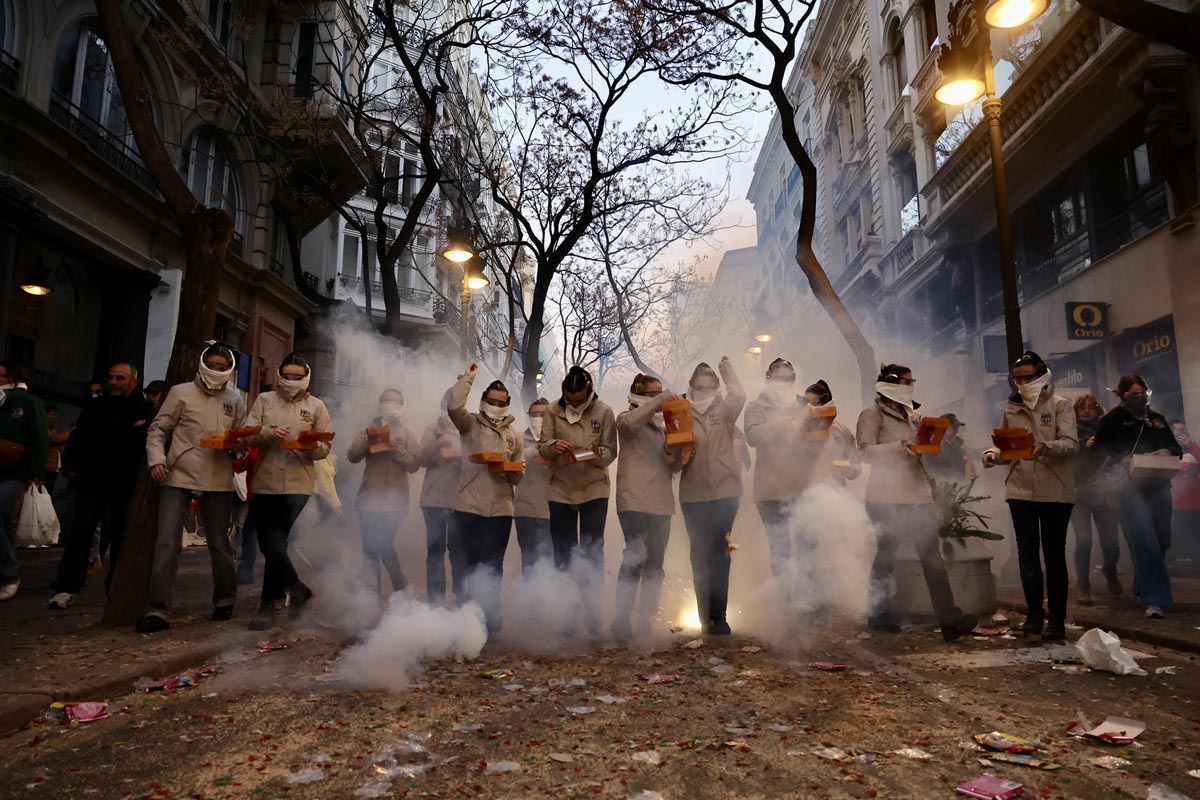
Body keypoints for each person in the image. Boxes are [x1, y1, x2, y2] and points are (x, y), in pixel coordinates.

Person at [857, 363, 977, 641]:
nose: (912, 386)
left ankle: (950, 619)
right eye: (907, 382)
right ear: (892, 384)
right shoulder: (871, 415)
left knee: (932, 556)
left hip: (917, 495)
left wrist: (929, 443)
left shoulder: (914, 416)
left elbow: (924, 449)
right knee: (886, 556)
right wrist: (899, 449)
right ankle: (878, 614)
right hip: (885, 498)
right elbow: (863, 452)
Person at [136, 343, 244, 632]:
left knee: (220, 545)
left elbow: (244, 436)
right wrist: (156, 460)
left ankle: (224, 600)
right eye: (213, 365)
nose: (217, 371)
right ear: (201, 363)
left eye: (223, 367)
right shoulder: (180, 392)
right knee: (168, 542)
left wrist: (237, 443)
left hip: (218, 477)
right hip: (178, 474)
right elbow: (158, 429)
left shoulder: (235, 399)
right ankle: (157, 609)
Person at [982, 351, 1078, 641]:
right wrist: (992, 455)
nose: (1023, 383)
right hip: (1021, 488)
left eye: (1028, 377)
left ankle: (1057, 620)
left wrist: (1044, 447)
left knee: (1054, 555)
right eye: (1018, 379)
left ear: (1041, 374)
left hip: (1055, 489)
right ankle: (1034, 614)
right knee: (1027, 554)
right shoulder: (1011, 407)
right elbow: (1007, 445)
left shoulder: (1061, 405)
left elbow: (1071, 444)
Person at [242, 353, 333, 630]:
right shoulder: (265, 401)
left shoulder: (316, 407)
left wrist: (309, 447)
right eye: (287, 375)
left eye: (297, 376)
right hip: (266, 480)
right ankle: (296, 589)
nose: (291, 381)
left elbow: (325, 448)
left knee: (274, 541)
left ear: (306, 377)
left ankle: (267, 603)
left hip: (298, 483)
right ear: (279, 375)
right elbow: (247, 434)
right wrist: (269, 433)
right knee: (271, 543)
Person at [51, 362, 153, 607]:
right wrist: (73, 473)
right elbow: (78, 440)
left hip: (125, 485)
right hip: (91, 481)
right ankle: (66, 587)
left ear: (133, 381)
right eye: (112, 378)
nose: (115, 382)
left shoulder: (145, 409)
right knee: (80, 534)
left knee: (120, 537)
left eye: (120, 378)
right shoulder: (95, 407)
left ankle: (116, 589)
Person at [1091, 374, 1182, 619]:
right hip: (1126, 487)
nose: (1139, 399)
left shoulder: (1157, 420)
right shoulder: (1111, 420)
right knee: (1144, 538)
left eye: (1142, 394)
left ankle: (1144, 584)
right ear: (1122, 395)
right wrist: (1118, 461)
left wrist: (1167, 450)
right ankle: (1155, 599)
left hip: (1158, 483)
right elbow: (1097, 454)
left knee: (1162, 539)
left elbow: (1176, 448)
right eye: (1133, 395)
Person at [537, 366, 617, 635]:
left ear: (588, 391)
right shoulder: (552, 410)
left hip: (594, 487)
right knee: (563, 551)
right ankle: (567, 614)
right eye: (569, 399)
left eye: (579, 399)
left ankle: (593, 613)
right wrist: (553, 446)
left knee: (592, 551)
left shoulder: (604, 412)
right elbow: (542, 446)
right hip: (560, 487)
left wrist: (594, 454)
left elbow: (610, 452)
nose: (574, 403)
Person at [447, 364, 523, 633]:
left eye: (499, 403)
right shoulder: (469, 425)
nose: (494, 406)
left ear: (507, 404)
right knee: (470, 563)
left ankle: (491, 617)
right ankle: (467, 616)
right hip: (468, 504)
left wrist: (509, 470)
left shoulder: (514, 435)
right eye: (490, 401)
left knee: (493, 564)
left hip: (501, 508)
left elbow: (518, 474)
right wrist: (467, 379)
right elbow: (454, 407)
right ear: (482, 401)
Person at [744, 359, 826, 594]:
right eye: (778, 378)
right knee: (780, 549)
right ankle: (782, 603)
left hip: (802, 486)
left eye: (788, 378)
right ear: (769, 379)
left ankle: (806, 601)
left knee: (807, 546)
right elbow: (753, 437)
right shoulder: (756, 406)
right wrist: (782, 424)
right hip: (771, 490)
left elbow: (815, 445)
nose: (783, 383)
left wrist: (817, 436)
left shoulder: (805, 407)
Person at [612, 374, 682, 641]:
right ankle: (621, 618)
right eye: (653, 394)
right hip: (633, 500)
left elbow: (673, 466)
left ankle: (646, 619)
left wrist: (682, 451)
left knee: (655, 563)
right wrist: (659, 402)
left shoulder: (665, 427)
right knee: (635, 557)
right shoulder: (627, 419)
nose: (659, 399)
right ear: (640, 395)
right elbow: (631, 424)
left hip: (661, 502)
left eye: (661, 394)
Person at [678, 358, 744, 636]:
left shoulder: (725, 409)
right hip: (693, 492)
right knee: (699, 554)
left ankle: (720, 616)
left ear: (717, 386)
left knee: (722, 553)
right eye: (699, 386)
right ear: (691, 385)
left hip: (725, 491)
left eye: (710, 386)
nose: (704, 391)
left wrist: (728, 369)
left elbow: (739, 395)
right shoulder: (680, 410)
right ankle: (704, 615)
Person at [346, 388, 420, 595]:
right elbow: (352, 455)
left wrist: (398, 450)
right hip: (368, 498)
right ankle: (371, 595)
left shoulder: (407, 433)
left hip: (396, 502)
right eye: (386, 401)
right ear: (380, 404)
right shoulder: (369, 429)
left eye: (395, 402)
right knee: (369, 548)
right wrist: (369, 440)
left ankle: (399, 582)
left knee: (383, 543)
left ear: (402, 406)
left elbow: (415, 464)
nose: (390, 405)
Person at [0, 361, 48, 601]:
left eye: (2, 376)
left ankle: (9, 574)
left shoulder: (27, 402)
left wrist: (36, 473)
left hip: (15, 471)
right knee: (6, 523)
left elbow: (40, 437)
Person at [417, 389, 467, 605]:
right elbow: (421, 459)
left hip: (461, 499)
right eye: (447, 405)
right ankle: (435, 598)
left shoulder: (468, 429)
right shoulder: (433, 429)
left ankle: (461, 594)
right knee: (436, 549)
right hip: (434, 499)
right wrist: (437, 443)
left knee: (459, 550)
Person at [1070, 394, 1122, 603]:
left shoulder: (1107, 430)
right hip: (1078, 494)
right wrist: (1084, 445)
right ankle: (1083, 584)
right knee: (1084, 539)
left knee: (1111, 544)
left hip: (1103, 493)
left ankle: (1110, 569)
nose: (1088, 410)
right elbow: (1066, 453)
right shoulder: (1070, 432)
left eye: (1092, 406)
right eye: (1083, 407)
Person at [513, 398, 552, 577]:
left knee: (551, 560)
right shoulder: (519, 439)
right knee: (529, 559)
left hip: (553, 510)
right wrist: (533, 452)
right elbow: (510, 462)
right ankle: (528, 600)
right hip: (525, 509)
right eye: (535, 415)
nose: (538, 418)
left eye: (543, 415)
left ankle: (551, 600)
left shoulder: (559, 443)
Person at [802, 379, 861, 486]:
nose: (808, 407)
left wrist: (851, 469)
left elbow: (855, 463)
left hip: (836, 491)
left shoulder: (842, 431)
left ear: (825, 405)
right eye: (805, 403)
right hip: (806, 492)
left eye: (812, 403)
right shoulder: (798, 428)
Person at [1171, 420, 1200, 575]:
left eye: (1183, 430)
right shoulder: (1168, 449)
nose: (1181, 433)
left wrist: (1192, 445)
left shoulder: (1193, 448)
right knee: (1175, 537)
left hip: (1195, 503)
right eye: (1177, 430)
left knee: (1197, 536)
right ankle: (1173, 568)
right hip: (1175, 503)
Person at [924, 413, 973, 486]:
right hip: (942, 489)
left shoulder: (956, 444)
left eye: (957, 428)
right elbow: (929, 470)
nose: (957, 431)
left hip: (957, 487)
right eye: (955, 428)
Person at [45, 402, 71, 496]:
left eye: (55, 415)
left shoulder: (52, 430)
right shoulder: (43, 429)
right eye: (52, 415)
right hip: (45, 471)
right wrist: (72, 431)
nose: (55, 417)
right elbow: (58, 440)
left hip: (52, 470)